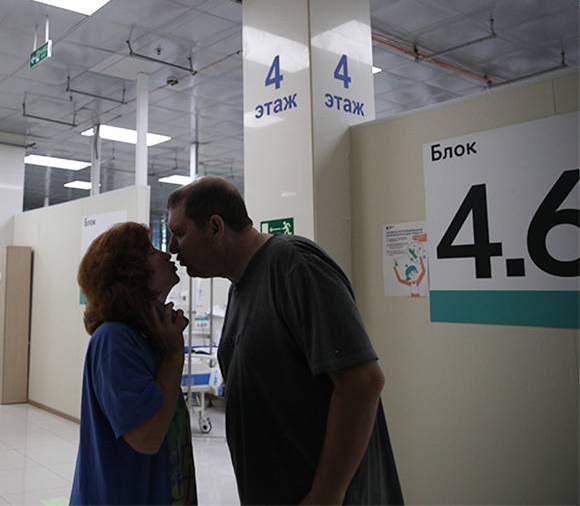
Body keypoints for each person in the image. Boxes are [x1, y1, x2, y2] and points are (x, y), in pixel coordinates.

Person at [166, 177, 403, 505]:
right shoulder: (241, 288)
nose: (171, 248)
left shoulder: (295, 265)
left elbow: (362, 382)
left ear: (215, 227)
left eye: (179, 233)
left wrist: (325, 495)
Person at [70, 222, 197, 505]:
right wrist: (174, 356)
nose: (166, 254)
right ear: (131, 274)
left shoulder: (148, 338)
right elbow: (147, 438)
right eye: (151, 251)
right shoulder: (114, 340)